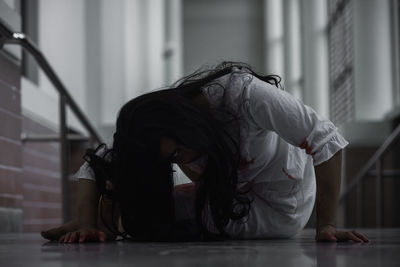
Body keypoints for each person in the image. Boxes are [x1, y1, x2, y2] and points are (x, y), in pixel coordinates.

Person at [41, 62, 368, 243]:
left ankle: (101, 221)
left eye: (178, 152)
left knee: (145, 222)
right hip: (232, 194)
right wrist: (87, 220)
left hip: (281, 207)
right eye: (173, 160)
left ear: (179, 122)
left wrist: (326, 224)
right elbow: (100, 161)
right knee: (144, 214)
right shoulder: (157, 131)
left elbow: (324, 137)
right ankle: (90, 223)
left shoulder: (242, 95)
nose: (182, 162)